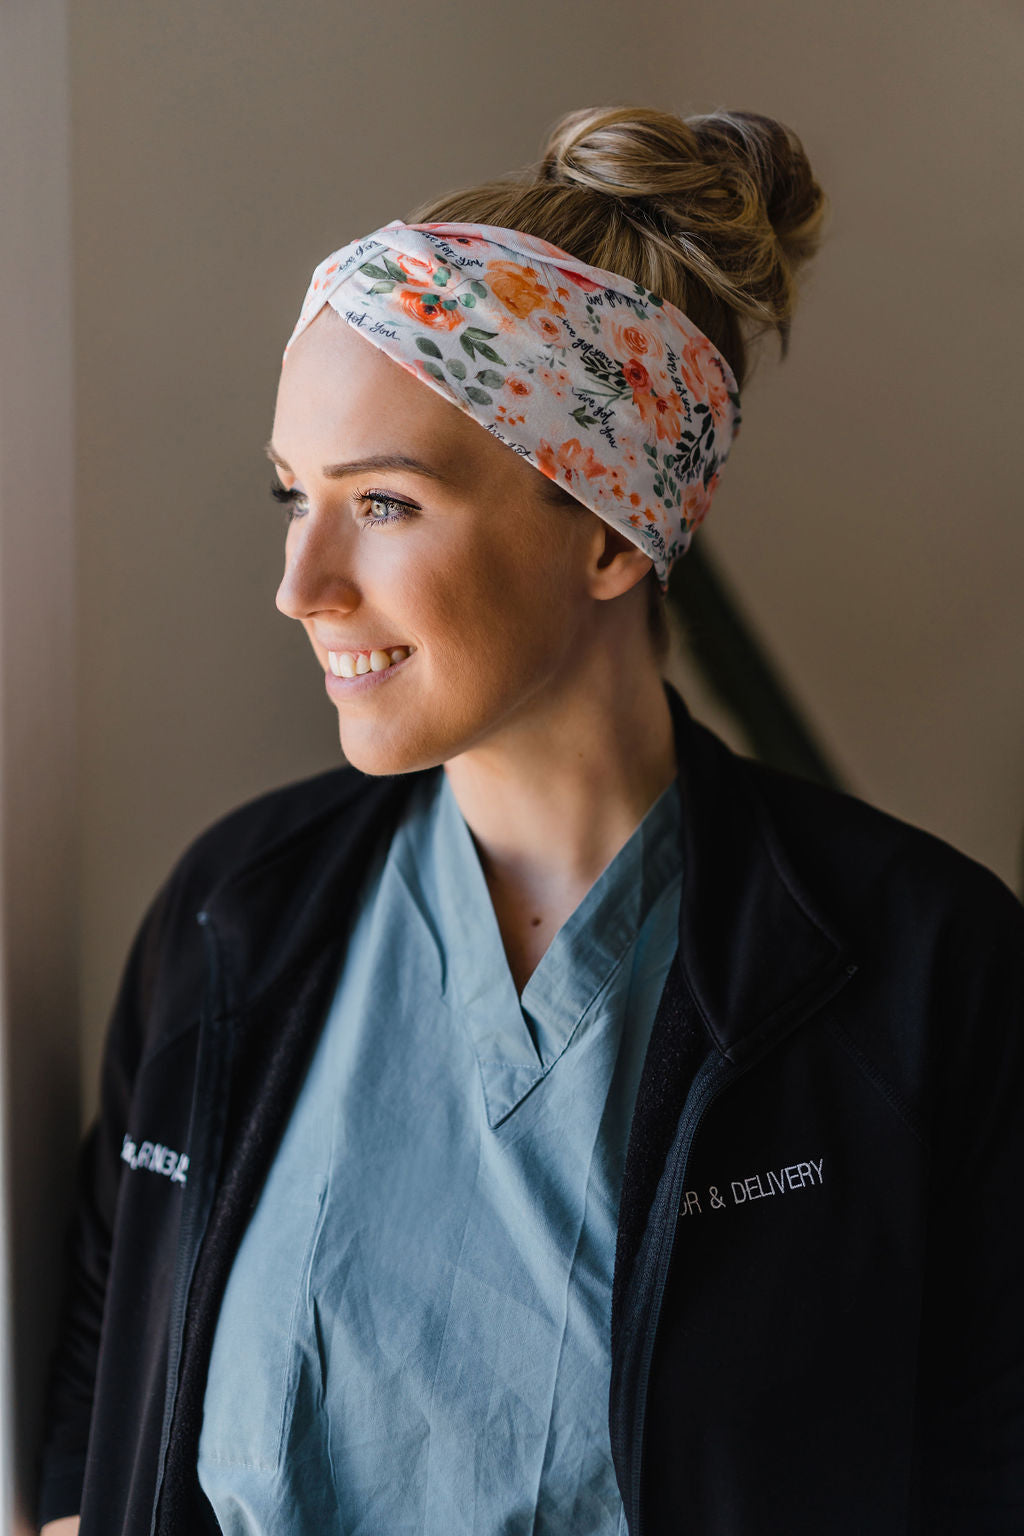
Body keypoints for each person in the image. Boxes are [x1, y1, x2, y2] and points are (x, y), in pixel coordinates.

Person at [37, 105, 1024, 1536]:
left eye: (384, 503)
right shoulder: (229, 916)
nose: (300, 585)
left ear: (611, 530)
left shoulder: (925, 967)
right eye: (292, 495)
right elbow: (101, 1377)